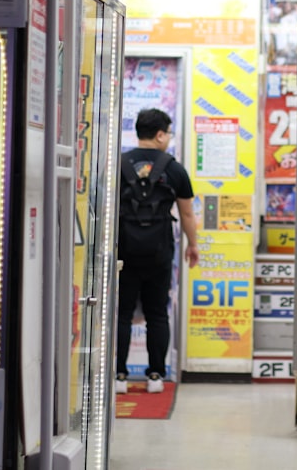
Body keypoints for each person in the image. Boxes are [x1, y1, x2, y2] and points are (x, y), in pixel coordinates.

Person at [116, 108, 199, 394]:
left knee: (122, 313)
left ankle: (119, 376)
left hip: (122, 253)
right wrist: (194, 245)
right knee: (157, 314)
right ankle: (155, 376)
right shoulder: (174, 168)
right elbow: (187, 214)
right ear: (160, 134)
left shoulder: (119, 164)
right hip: (159, 252)